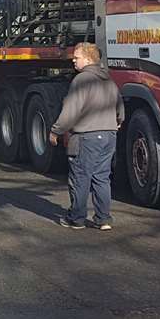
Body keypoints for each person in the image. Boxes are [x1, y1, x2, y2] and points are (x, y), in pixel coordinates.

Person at [49, 42, 124, 230]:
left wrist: (56, 131)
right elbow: (120, 110)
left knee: (80, 177)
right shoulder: (109, 80)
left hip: (86, 137)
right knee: (102, 177)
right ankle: (103, 219)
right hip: (108, 136)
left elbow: (71, 110)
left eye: (77, 57)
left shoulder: (82, 80)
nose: (73, 60)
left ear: (89, 59)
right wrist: (116, 124)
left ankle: (76, 218)